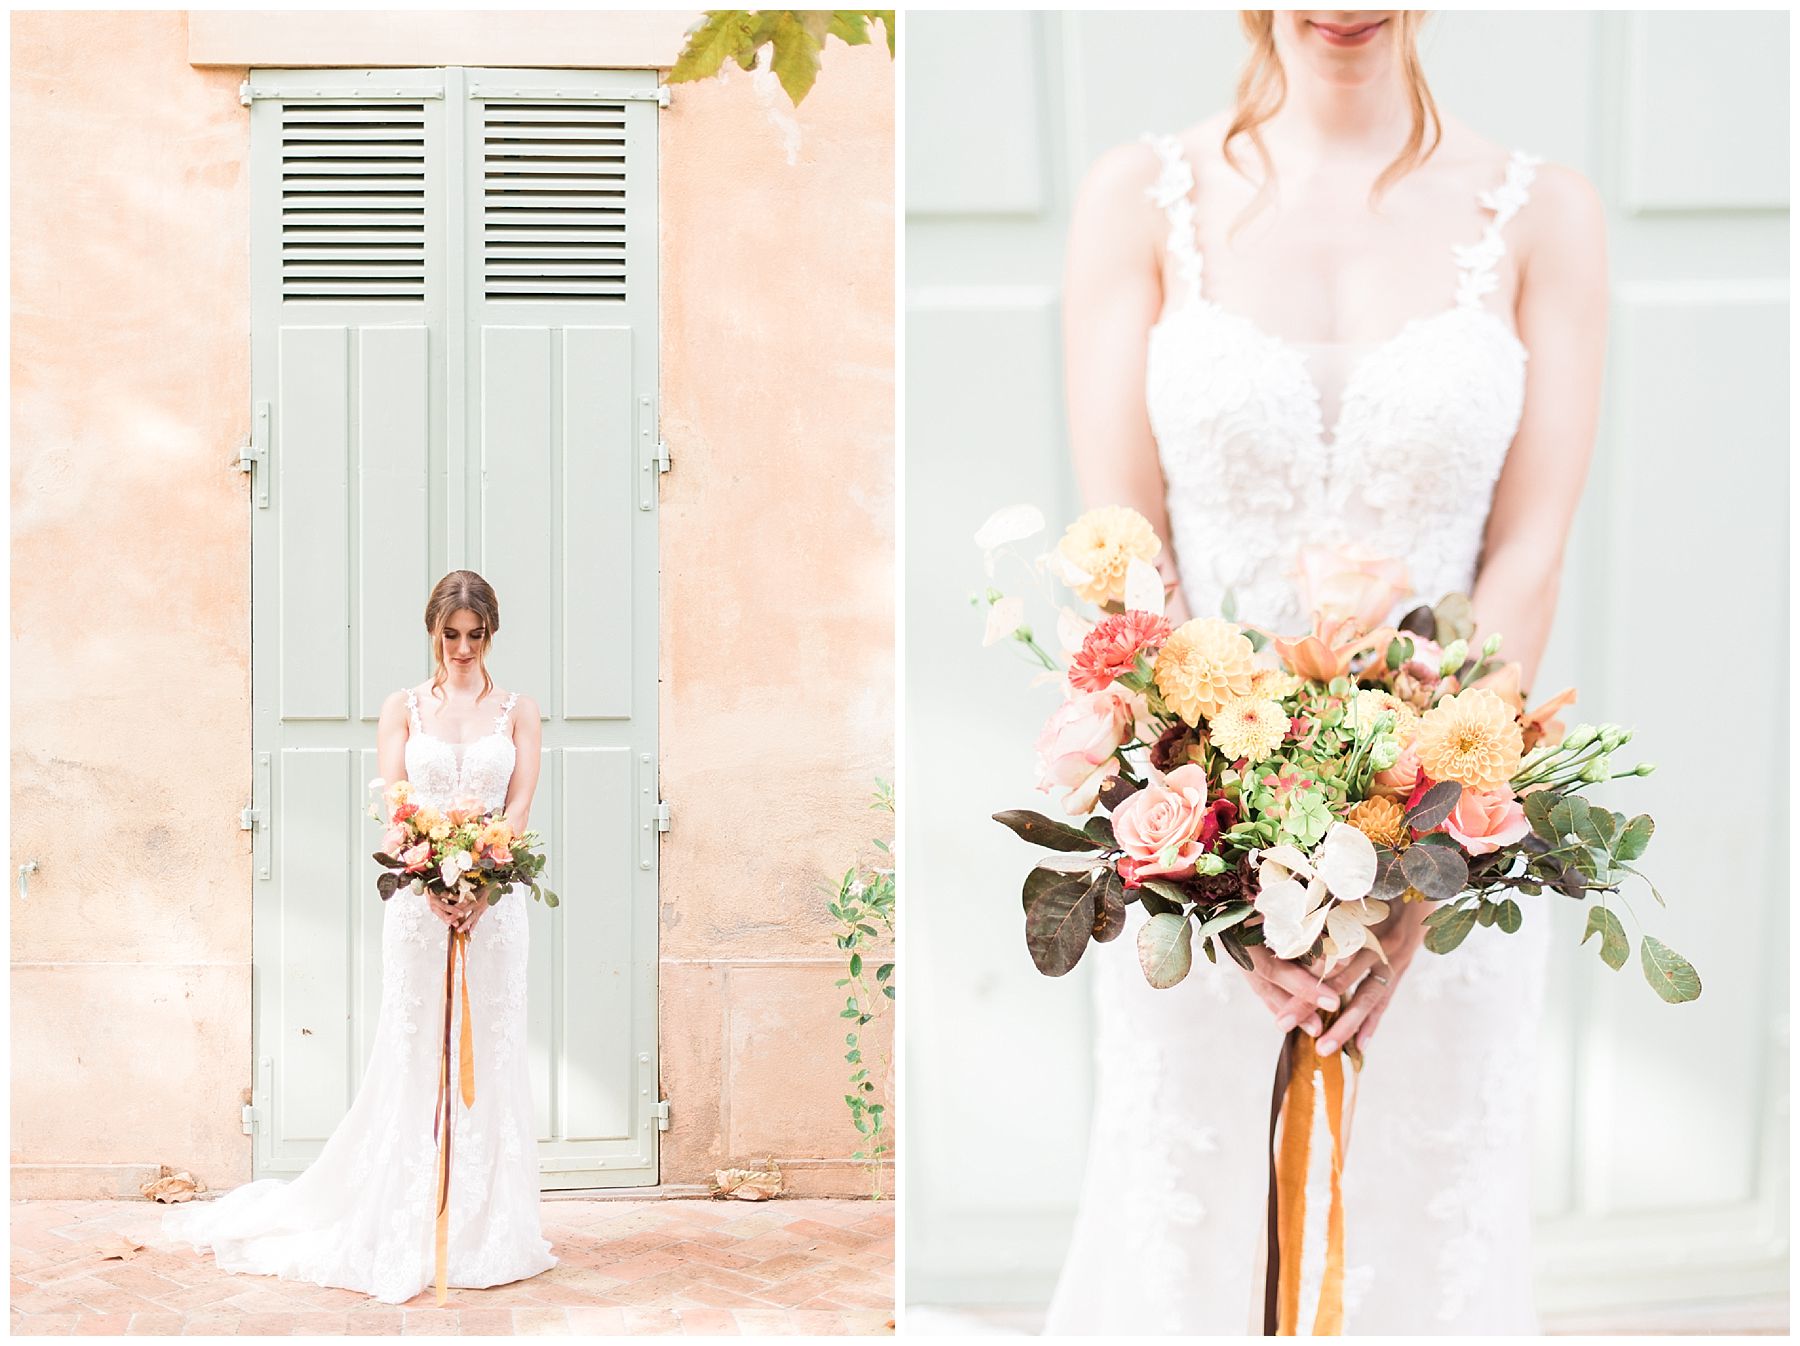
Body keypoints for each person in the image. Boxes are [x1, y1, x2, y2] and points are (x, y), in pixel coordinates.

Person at [1044, 10, 1606, 1334]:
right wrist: (1218, 872)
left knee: (1421, 1240)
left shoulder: (1546, 215)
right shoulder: (1139, 201)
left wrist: (1427, 858)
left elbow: (1528, 554)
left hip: (1443, 846)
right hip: (1199, 842)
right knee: (1194, 1239)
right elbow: (1130, 557)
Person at [162, 571, 556, 1304]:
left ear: (491, 634)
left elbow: (521, 805)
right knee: (412, 1053)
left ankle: (483, 1226)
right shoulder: (402, 709)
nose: (463, 649)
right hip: (418, 907)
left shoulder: (518, 711)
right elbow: (398, 810)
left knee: (491, 1052)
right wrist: (433, 885)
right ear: (433, 633)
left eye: (476, 636)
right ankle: (405, 1218)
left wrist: (486, 883)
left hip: (495, 913)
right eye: (451, 636)